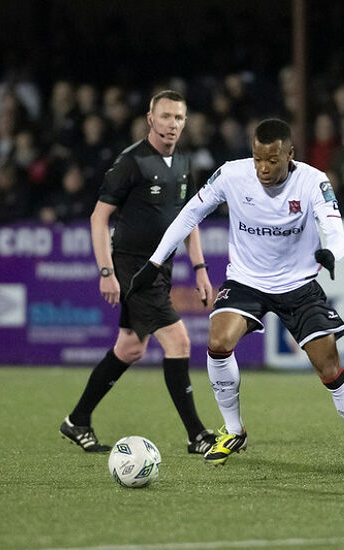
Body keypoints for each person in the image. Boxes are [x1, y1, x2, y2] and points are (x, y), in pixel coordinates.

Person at [128, 119, 344, 483]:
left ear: (290, 155)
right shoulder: (231, 175)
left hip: (298, 285)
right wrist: (155, 261)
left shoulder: (313, 181)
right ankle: (234, 430)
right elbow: (190, 212)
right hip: (247, 280)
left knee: (329, 368)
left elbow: (334, 227)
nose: (263, 168)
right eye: (257, 159)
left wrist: (331, 251)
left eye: (272, 160)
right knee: (218, 342)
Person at [60, 90, 216, 455]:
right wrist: (105, 271)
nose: (172, 124)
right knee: (178, 342)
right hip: (134, 268)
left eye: (178, 118)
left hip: (161, 266)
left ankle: (77, 420)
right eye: (165, 117)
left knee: (130, 348)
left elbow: (189, 219)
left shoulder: (184, 163)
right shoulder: (131, 162)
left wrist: (200, 269)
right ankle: (197, 435)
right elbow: (99, 218)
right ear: (150, 118)